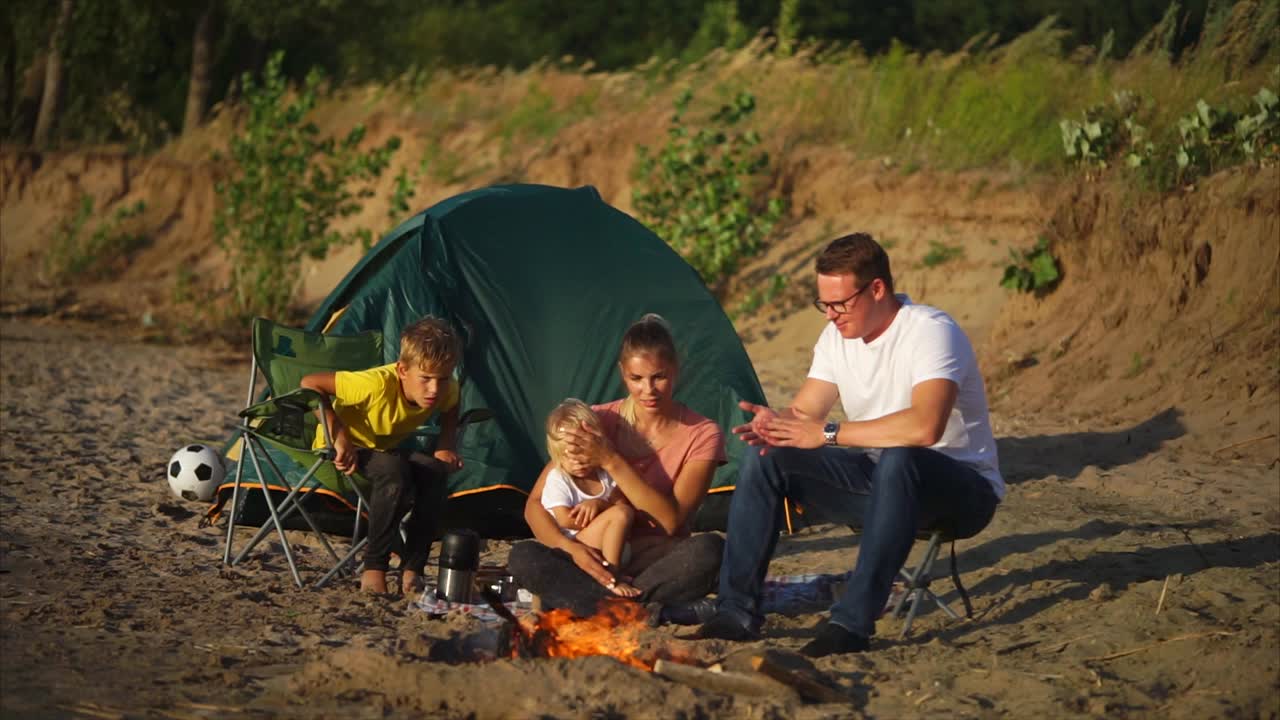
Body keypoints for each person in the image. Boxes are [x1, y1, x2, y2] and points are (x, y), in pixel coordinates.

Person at [696, 232, 1004, 657]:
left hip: (959, 491)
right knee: (769, 457)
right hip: (879, 483)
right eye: (824, 304)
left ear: (877, 289)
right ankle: (735, 611)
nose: (831, 316)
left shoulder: (931, 332)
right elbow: (805, 415)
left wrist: (826, 433)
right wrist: (776, 426)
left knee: (902, 458)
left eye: (839, 304)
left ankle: (851, 624)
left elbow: (925, 428)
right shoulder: (836, 339)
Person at [507, 314, 728, 617]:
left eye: (659, 376)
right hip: (589, 556)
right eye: (636, 379)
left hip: (652, 561)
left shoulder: (703, 434)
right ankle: (635, 609)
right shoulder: (595, 421)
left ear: (676, 369)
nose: (648, 390)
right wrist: (573, 550)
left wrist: (609, 458)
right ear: (622, 373)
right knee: (523, 556)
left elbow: (670, 521)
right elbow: (534, 505)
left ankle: (597, 605)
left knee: (710, 550)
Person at [300, 317, 463, 596]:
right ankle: (374, 568)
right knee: (393, 470)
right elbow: (310, 383)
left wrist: (445, 445)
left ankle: (413, 568)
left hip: (384, 451)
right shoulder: (373, 385)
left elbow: (451, 406)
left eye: (443, 379)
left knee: (434, 470)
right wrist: (338, 435)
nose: (434, 389)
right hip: (340, 450)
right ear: (402, 370)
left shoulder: (446, 389)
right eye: (425, 379)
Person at [540, 398, 640, 597]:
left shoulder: (605, 475)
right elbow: (565, 520)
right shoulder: (559, 478)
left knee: (656, 543)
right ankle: (611, 578)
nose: (578, 463)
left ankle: (620, 573)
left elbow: (625, 506)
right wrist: (602, 515)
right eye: (570, 457)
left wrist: (600, 504)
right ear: (557, 456)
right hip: (577, 547)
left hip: (609, 545)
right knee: (619, 514)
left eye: (584, 455)